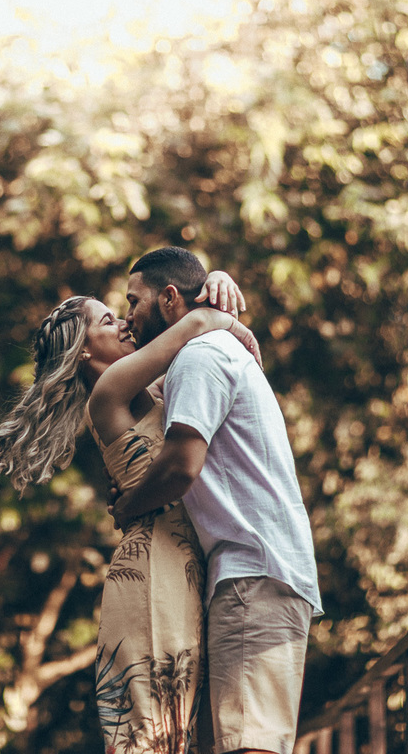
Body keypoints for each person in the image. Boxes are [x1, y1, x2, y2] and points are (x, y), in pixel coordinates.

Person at [0, 271, 258, 754]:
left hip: (184, 569)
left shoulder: (159, 387)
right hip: (151, 574)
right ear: (83, 351)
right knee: (148, 733)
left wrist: (215, 279)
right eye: (109, 319)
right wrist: (213, 305)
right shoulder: (110, 392)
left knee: (175, 731)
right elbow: (192, 325)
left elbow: (193, 336)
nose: (126, 323)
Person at [110, 247, 322, 754]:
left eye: (133, 302)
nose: (126, 318)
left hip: (254, 572)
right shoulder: (201, 352)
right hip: (256, 570)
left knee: (250, 742)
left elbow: (183, 464)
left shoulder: (199, 358)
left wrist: (127, 506)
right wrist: (217, 311)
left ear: (167, 298)